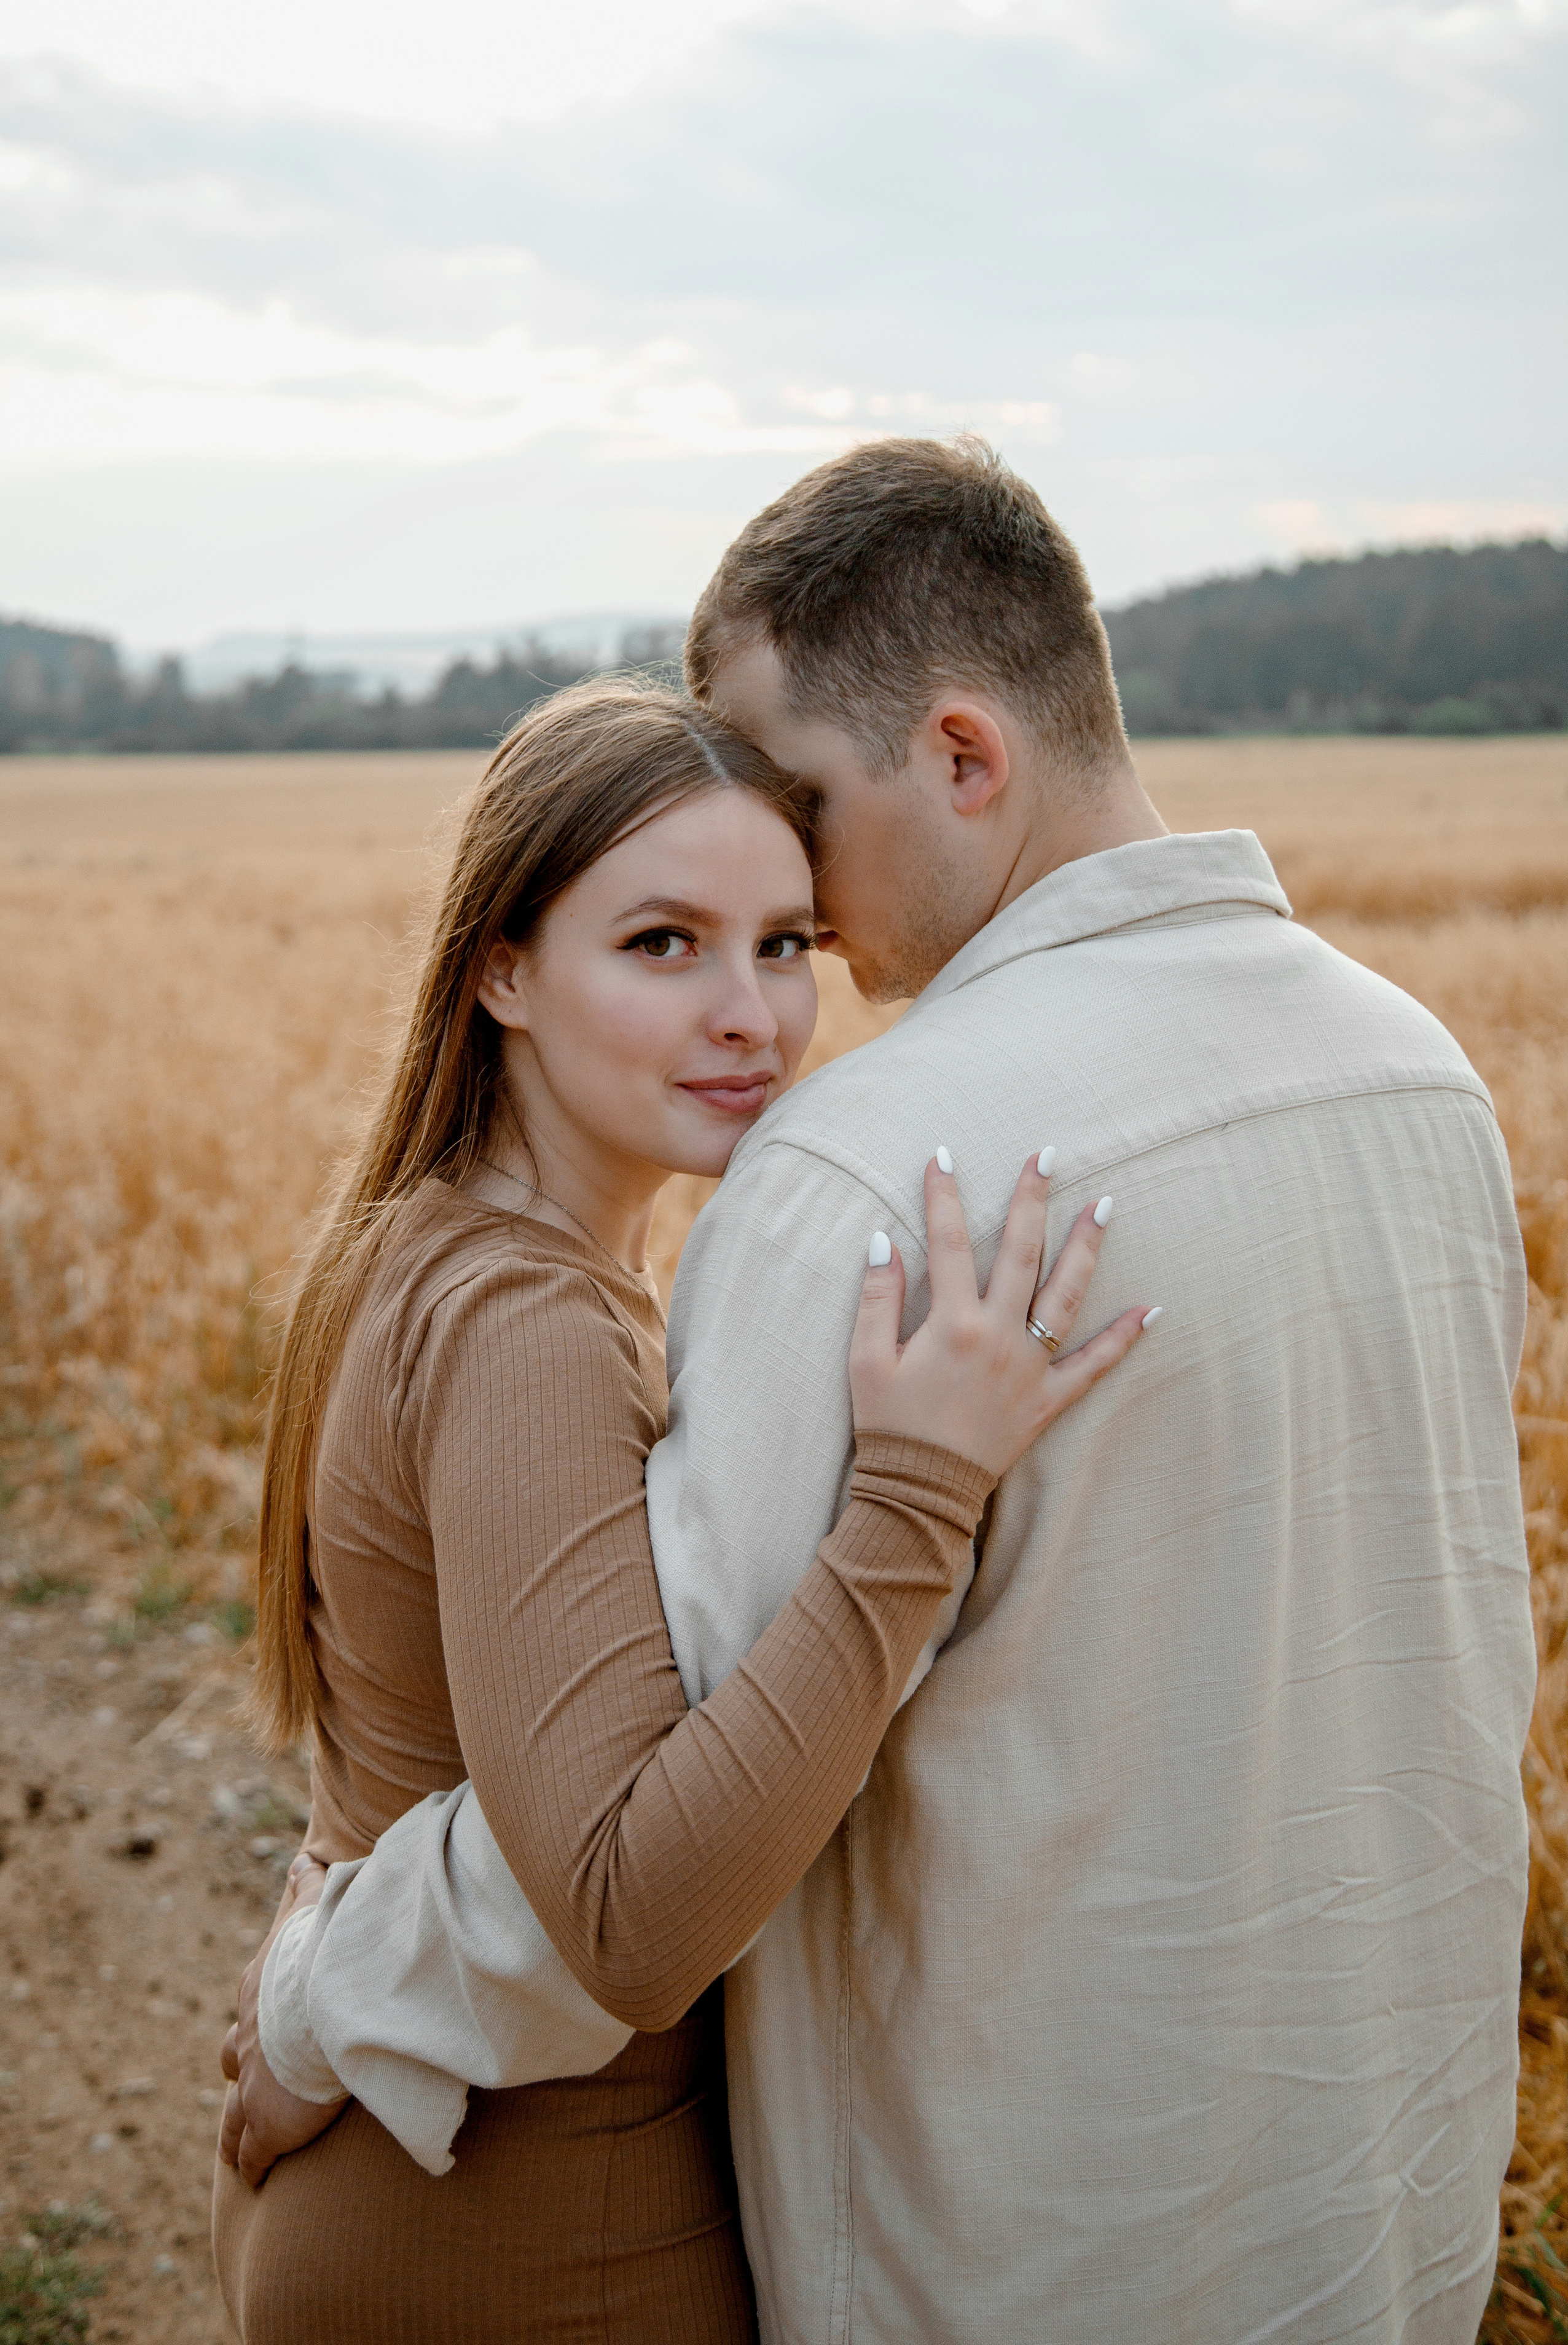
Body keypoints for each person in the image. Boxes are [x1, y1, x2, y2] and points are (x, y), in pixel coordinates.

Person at [227, 441, 1535, 2343]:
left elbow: (599, 1871)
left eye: (807, 813)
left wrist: (322, 1996)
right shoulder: (1422, 1081)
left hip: (1006, 2242)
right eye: (676, 932)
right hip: (1376, 2215)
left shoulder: (876, 1169)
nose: (806, 926)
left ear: (963, 755)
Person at [209, 675, 1151, 2344]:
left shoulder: (427, 1245)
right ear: (501, 967)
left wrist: (313, 2000)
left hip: (419, 2193)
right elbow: (633, 1920)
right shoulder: (532, 1332)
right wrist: (919, 1496)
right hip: (529, 2244)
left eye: (784, 943)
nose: (752, 1015)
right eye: (663, 944)